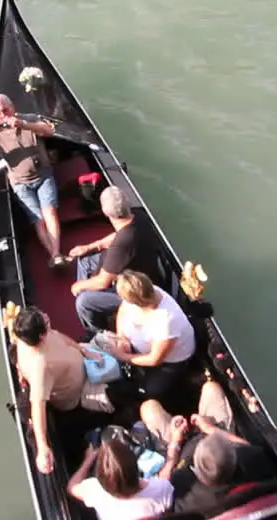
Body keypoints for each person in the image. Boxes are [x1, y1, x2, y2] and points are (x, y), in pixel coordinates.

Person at [141, 380, 275, 513]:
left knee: (149, 408)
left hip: (177, 452)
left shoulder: (184, 491)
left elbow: (163, 481)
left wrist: (175, 442)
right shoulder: (249, 463)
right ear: (234, 458)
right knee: (211, 388)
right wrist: (210, 429)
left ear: (196, 468)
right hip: (214, 430)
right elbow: (247, 447)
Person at [0, 94, 65, 266]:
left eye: (5, 110)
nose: (3, 115)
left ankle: (56, 254)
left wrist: (24, 124)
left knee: (50, 211)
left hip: (43, 175)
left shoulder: (28, 119)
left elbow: (49, 130)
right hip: (21, 183)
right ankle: (54, 254)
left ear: (13, 107)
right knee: (39, 219)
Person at [13, 307, 106, 474]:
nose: (48, 316)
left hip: (86, 361)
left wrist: (82, 349)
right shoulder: (39, 367)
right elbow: (37, 404)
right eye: (45, 321)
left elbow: (58, 336)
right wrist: (42, 447)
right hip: (82, 392)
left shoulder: (31, 337)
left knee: (112, 342)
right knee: (119, 393)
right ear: (41, 336)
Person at [68, 187, 158, 335]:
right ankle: (96, 299)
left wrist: (78, 286)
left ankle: (97, 332)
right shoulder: (138, 216)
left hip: (135, 290)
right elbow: (118, 234)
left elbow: (102, 281)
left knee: (83, 301)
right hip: (137, 266)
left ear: (105, 212)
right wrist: (91, 246)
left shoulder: (121, 246)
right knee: (84, 260)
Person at [102, 270, 196, 400]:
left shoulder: (167, 320)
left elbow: (154, 359)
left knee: (151, 392)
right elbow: (123, 311)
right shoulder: (141, 293)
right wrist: (122, 338)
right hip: (135, 349)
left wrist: (124, 357)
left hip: (168, 362)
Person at [67, 435, 173, 520]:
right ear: (136, 467)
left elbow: (71, 487)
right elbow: (167, 515)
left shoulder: (95, 491)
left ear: (99, 476)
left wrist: (88, 459)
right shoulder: (161, 488)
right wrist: (175, 443)